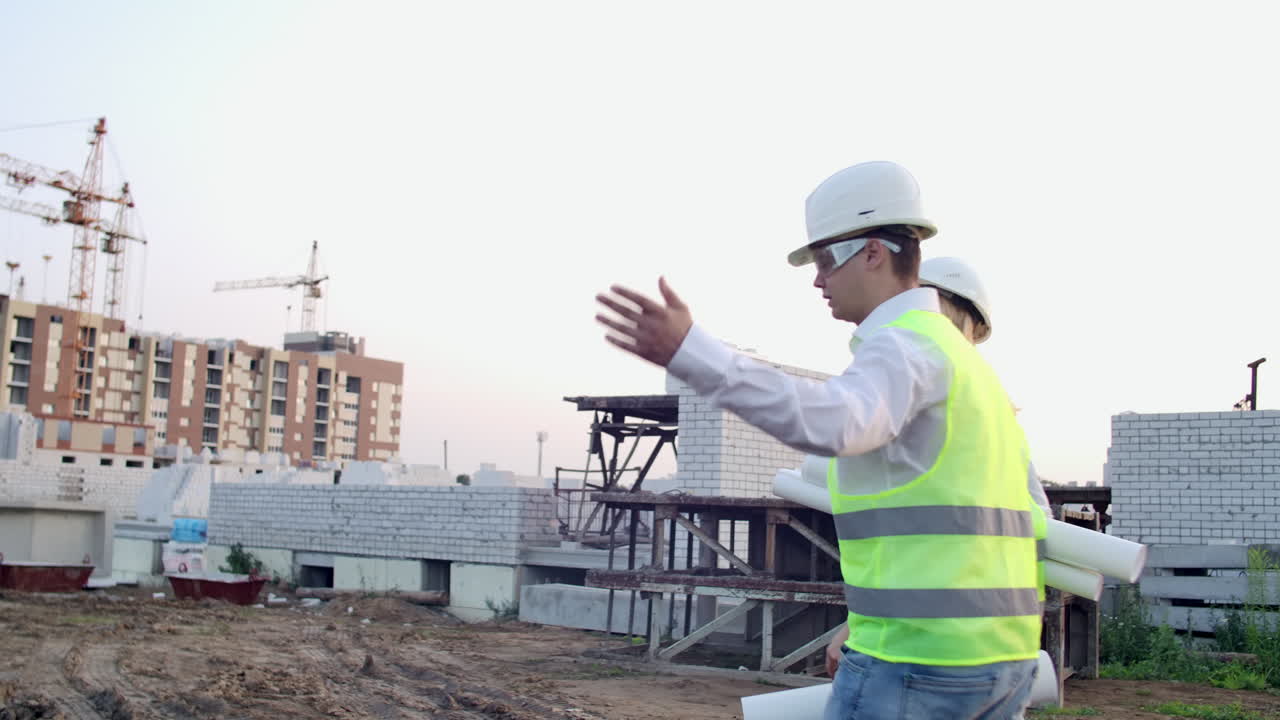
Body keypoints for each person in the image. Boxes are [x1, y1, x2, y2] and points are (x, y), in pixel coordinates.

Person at [595, 161, 1044, 719]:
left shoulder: (905, 347)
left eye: (825, 260)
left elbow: (835, 421)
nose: (817, 280)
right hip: (1002, 662)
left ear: (873, 253)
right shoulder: (973, 373)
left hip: (918, 668)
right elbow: (1018, 527)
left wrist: (693, 353)